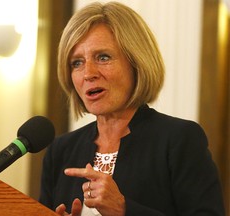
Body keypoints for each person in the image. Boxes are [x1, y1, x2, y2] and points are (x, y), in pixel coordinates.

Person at [39, 2, 225, 216]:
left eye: (103, 57)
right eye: (77, 63)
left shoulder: (179, 140)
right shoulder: (61, 151)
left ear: (137, 62)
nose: (88, 73)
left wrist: (124, 209)